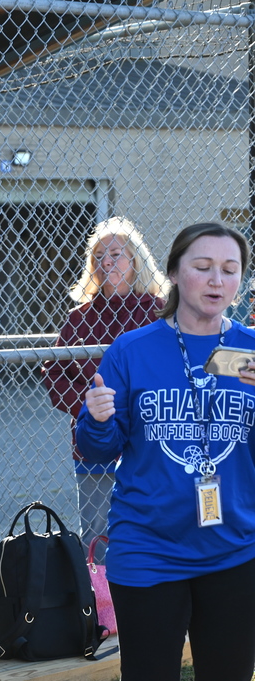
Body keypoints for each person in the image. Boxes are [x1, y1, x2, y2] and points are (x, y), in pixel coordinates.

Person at [77, 222, 255, 681]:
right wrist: (97, 419)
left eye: (229, 269)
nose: (217, 280)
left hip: (234, 549)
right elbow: (98, 450)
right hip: (148, 549)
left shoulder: (250, 352)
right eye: (203, 266)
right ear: (174, 272)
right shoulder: (133, 350)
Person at [42, 218, 168, 560]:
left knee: (153, 529)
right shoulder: (80, 317)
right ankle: (101, 596)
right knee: (98, 537)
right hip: (93, 445)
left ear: (136, 261)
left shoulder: (159, 312)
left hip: (151, 442)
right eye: (98, 256)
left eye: (115, 254)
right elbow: (54, 374)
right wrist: (91, 409)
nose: (106, 262)